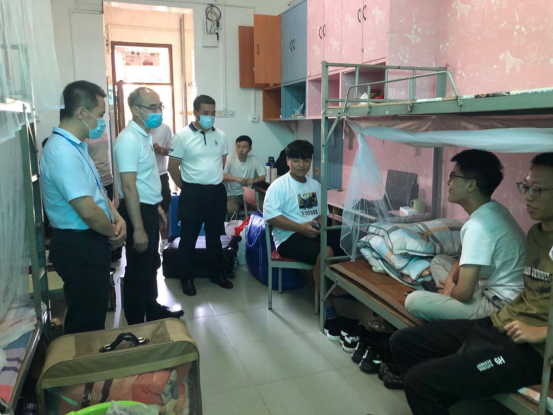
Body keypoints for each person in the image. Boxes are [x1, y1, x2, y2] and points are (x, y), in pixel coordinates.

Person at [389, 153, 553, 415]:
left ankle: (439, 386)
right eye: (525, 187)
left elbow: (465, 292)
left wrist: (543, 333)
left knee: (419, 382)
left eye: (537, 189)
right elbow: (532, 294)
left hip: (533, 350)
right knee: (402, 342)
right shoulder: (538, 233)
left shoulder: (482, 224)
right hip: (500, 322)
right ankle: (449, 387)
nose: (528, 196)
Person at [40, 80, 127, 334]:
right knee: (85, 321)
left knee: (93, 312)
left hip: (89, 240)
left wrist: (118, 218)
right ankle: (83, 359)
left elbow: (97, 192)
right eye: (99, 115)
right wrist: (113, 233)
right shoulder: (62, 153)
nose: (102, 122)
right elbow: (87, 210)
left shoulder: (77, 147)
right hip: (78, 244)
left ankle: (91, 355)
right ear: (81, 113)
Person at [405, 149, 526, 321]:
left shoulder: (478, 226)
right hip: (486, 286)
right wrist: (449, 282)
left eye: (454, 176)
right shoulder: (494, 209)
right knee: (439, 261)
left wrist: (451, 292)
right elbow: (462, 257)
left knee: (413, 301)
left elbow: (463, 294)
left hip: (500, 305)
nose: (449, 183)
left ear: (471, 185)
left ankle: (449, 302)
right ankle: (449, 297)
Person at [263, 140, 355, 339]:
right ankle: (327, 306)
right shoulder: (279, 186)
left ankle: (338, 288)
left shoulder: (315, 185)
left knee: (349, 238)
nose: (301, 164)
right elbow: (271, 217)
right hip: (288, 237)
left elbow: (322, 213)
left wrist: (318, 225)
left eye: (305, 160)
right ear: (288, 161)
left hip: (312, 232)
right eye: (296, 160)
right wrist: (301, 228)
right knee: (326, 251)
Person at [113, 87, 183, 324]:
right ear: (135, 110)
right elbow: (129, 186)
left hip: (148, 207)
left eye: (159, 106)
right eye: (152, 107)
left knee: (151, 263)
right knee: (138, 268)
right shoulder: (128, 140)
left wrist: (157, 207)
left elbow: (146, 179)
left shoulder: (144, 136)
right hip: (137, 211)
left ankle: (152, 309)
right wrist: (138, 228)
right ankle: (136, 322)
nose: (158, 112)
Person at [168, 95, 233, 296]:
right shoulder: (182, 137)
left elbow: (221, 163)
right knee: (189, 237)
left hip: (216, 192)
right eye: (205, 113)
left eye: (213, 113)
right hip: (192, 193)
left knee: (215, 236)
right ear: (195, 113)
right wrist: (187, 188)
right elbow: (172, 167)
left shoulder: (221, 136)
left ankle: (217, 273)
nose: (210, 117)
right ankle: (186, 277)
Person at [223, 135, 265, 220]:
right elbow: (222, 176)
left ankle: (258, 227)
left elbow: (264, 175)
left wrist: (254, 180)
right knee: (232, 210)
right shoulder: (230, 158)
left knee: (264, 207)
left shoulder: (253, 159)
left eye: (244, 147)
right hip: (233, 195)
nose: (240, 150)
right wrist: (236, 178)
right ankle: (234, 228)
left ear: (250, 149)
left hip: (248, 194)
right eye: (238, 147)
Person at [151, 122, 173, 214]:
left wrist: (161, 150)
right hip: (143, 176)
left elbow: (172, 150)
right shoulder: (137, 130)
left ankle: (164, 223)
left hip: (161, 174)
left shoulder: (165, 128)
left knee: (164, 207)